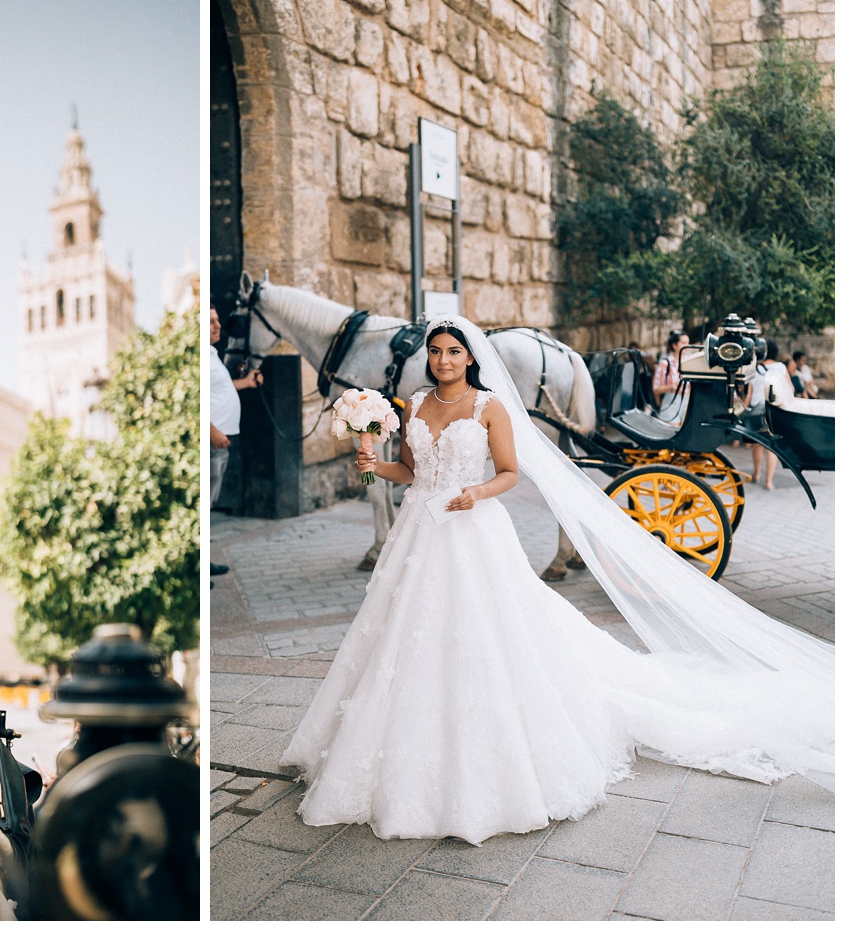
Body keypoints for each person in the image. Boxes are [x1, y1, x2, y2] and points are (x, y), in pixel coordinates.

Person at [280, 315, 831, 845]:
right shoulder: (416, 403)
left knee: (486, 634)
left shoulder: (490, 407)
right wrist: (374, 464)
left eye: (453, 351)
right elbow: (412, 471)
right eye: (436, 352)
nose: (444, 360)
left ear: (470, 357)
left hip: (472, 530)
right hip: (418, 531)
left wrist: (476, 493)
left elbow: (510, 474)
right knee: (401, 633)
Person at [208, 305, 261, 576]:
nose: (218, 326)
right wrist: (211, 430)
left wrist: (246, 382)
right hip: (211, 442)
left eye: (217, 320)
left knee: (210, 503)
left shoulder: (211, 353)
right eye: (210, 322)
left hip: (220, 441)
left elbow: (220, 388)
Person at [745, 341, 780, 490]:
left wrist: (744, 409)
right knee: (772, 446)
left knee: (758, 444)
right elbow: (789, 388)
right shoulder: (780, 367)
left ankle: (756, 473)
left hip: (757, 410)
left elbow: (749, 392)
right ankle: (769, 481)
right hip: (773, 410)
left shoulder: (756, 369)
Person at [651, 329, 690, 423]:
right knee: (672, 433)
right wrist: (670, 387)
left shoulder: (689, 362)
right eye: (683, 343)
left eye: (688, 343)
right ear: (674, 345)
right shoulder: (665, 364)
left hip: (687, 401)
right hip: (672, 402)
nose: (687, 346)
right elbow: (656, 388)